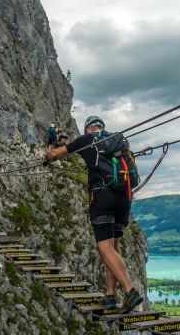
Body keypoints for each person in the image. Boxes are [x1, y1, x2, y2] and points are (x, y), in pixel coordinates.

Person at [45, 116, 143, 313]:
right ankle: (110, 295)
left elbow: (55, 155)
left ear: (87, 128)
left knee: (104, 247)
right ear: (102, 127)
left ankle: (129, 290)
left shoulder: (86, 140)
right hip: (124, 198)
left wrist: (50, 147)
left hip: (103, 197)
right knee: (113, 247)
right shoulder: (117, 141)